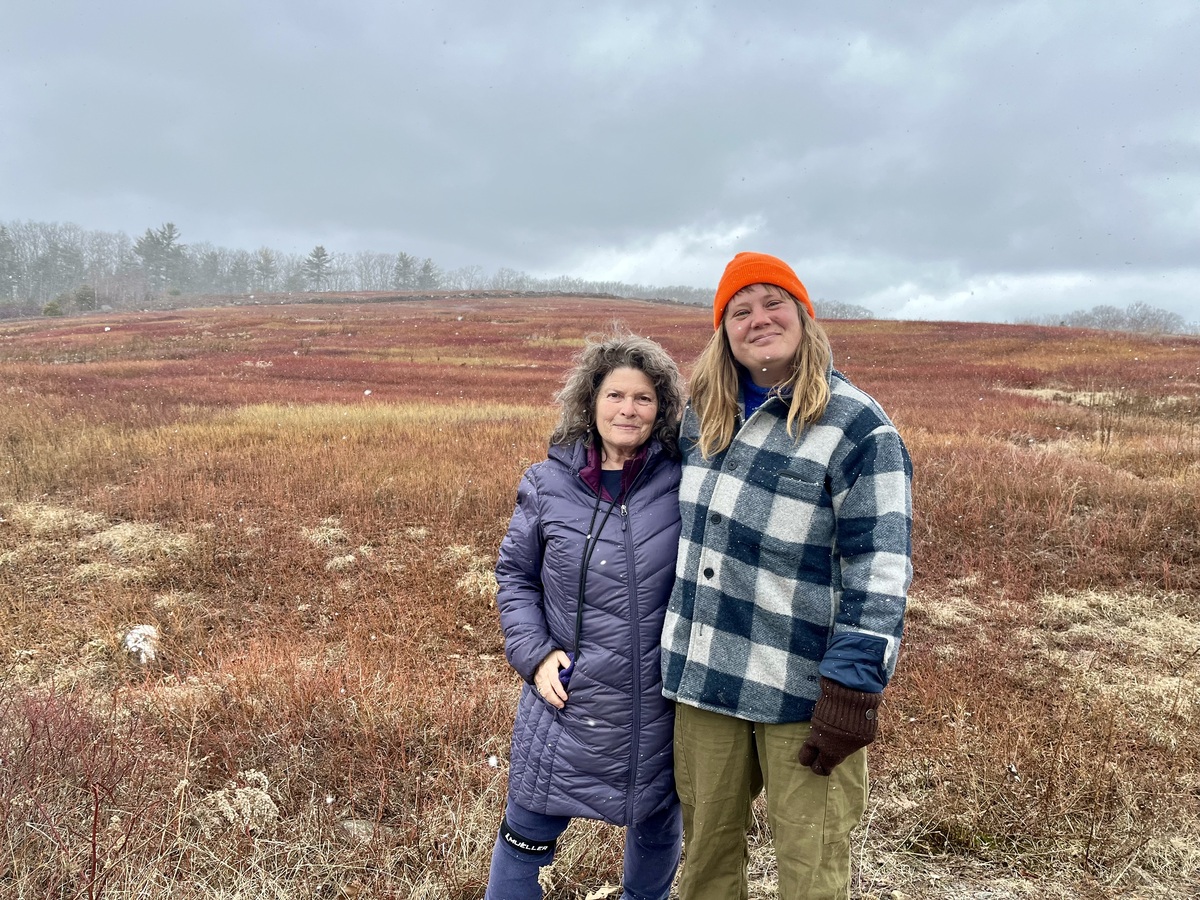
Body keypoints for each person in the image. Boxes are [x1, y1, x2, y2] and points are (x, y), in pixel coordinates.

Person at [661, 252, 914, 900]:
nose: (758, 319)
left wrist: (852, 688)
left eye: (773, 302)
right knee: (705, 867)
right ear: (724, 332)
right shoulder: (699, 419)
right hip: (706, 682)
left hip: (803, 697)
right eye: (739, 310)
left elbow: (879, 569)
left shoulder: (858, 427)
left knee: (812, 876)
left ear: (804, 315)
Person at [486, 331, 687, 900]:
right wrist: (534, 653)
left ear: (663, 408)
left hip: (658, 703)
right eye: (615, 395)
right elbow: (515, 575)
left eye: (644, 398)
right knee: (524, 836)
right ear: (589, 402)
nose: (628, 409)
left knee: (656, 825)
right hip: (567, 699)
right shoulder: (546, 484)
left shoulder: (684, 481)